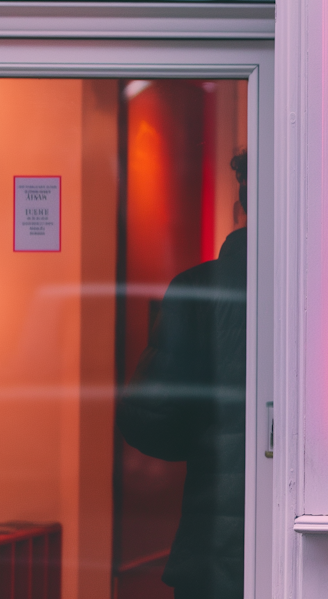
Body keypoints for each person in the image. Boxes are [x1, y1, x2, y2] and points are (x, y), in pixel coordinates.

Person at [117, 151, 248, 599]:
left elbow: (148, 424)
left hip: (213, 551)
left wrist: (212, 434)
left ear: (240, 211)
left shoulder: (197, 289)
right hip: (315, 548)